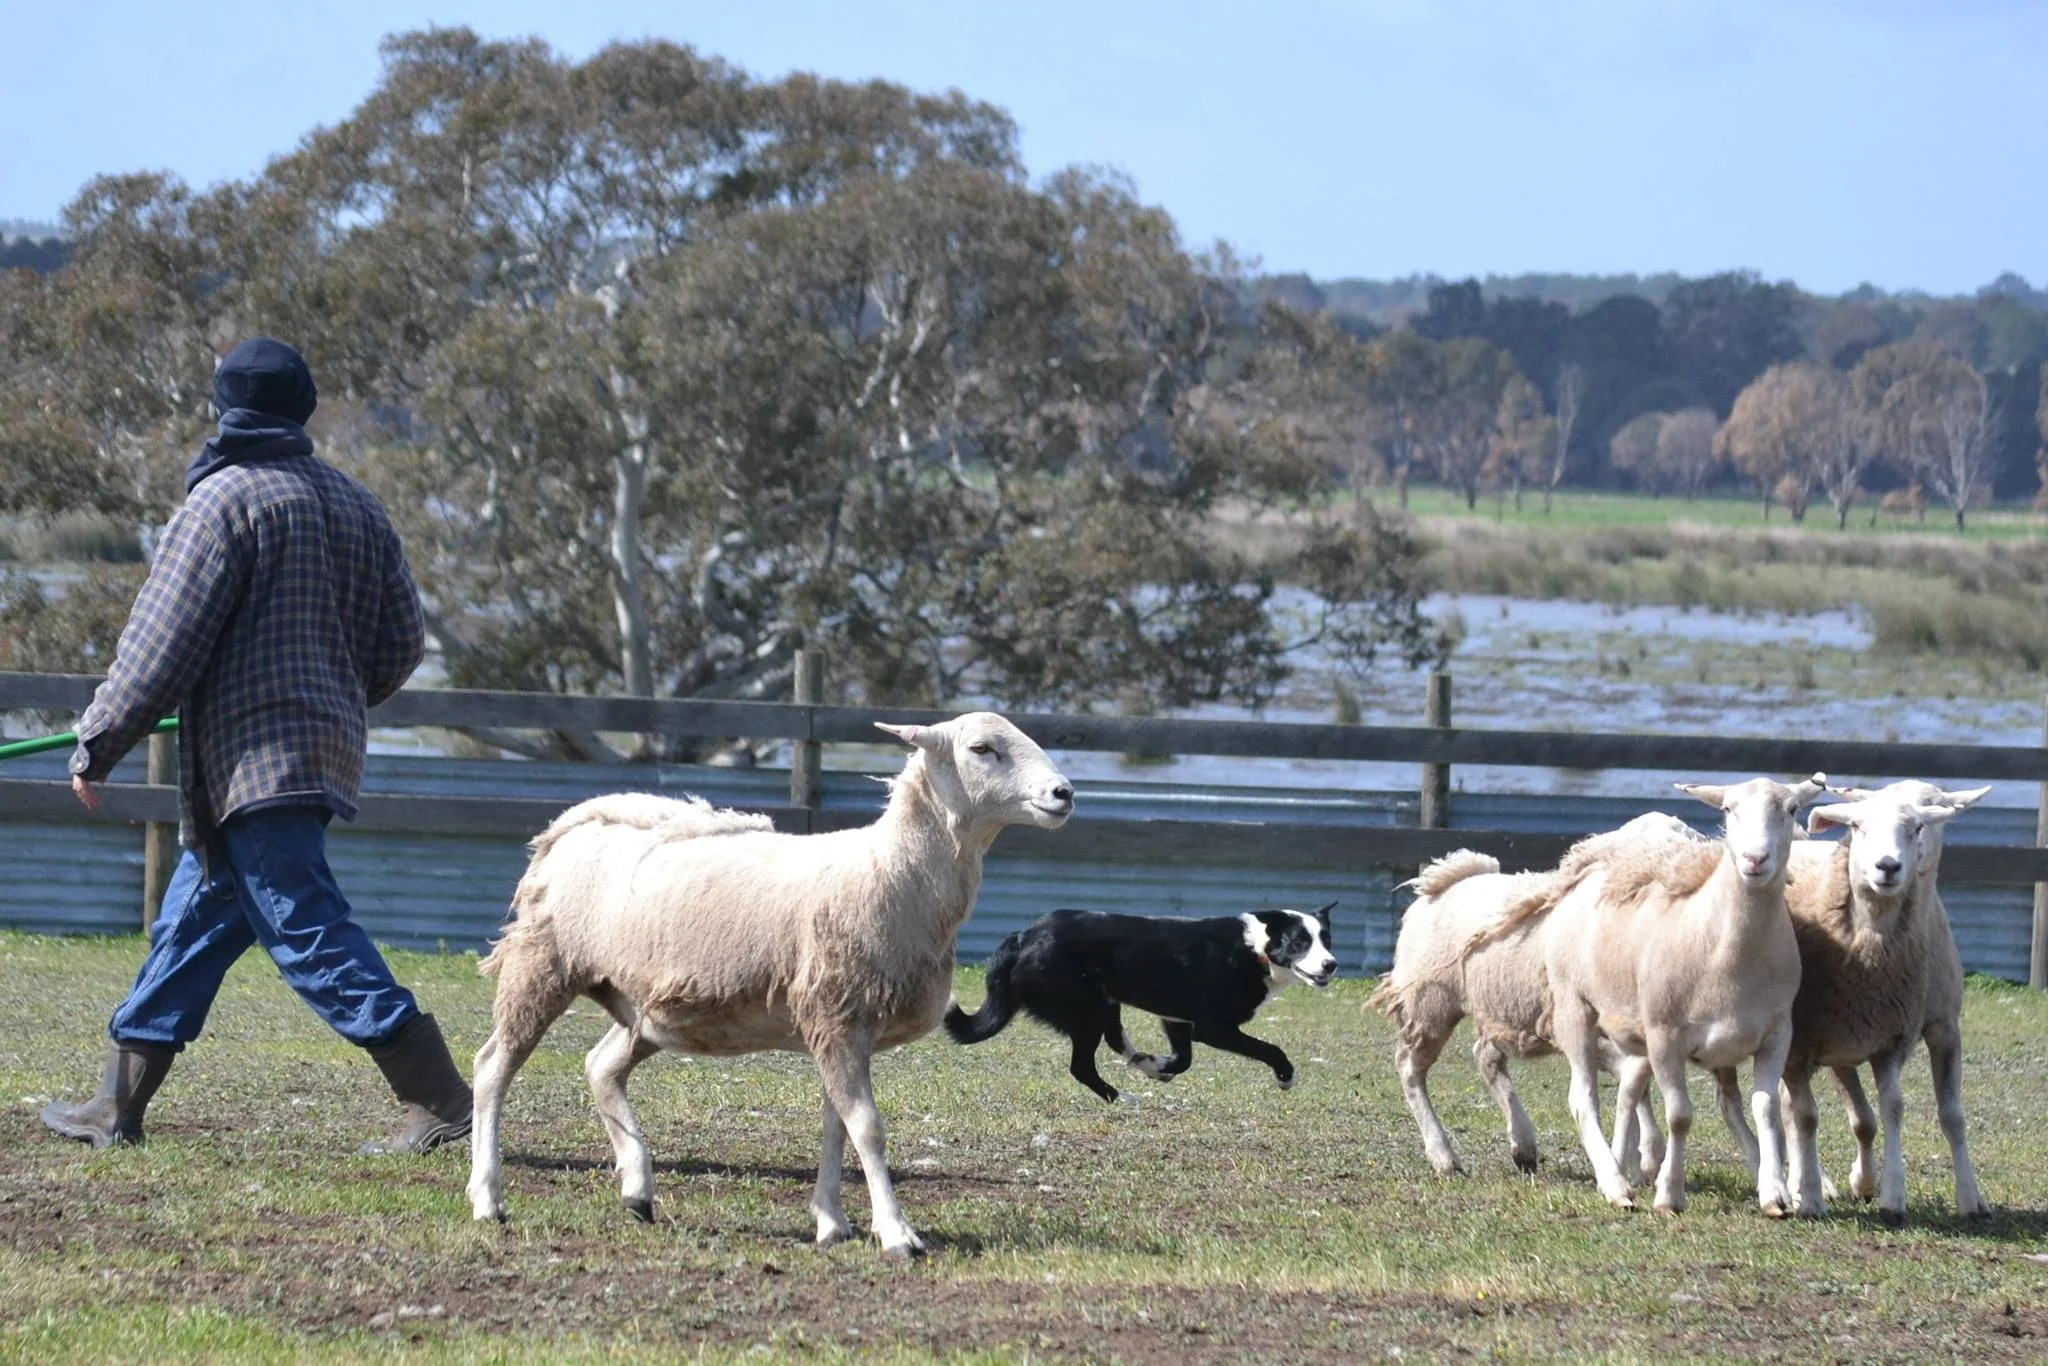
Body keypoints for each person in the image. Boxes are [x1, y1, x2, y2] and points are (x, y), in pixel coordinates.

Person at [40, 337, 472, 1155]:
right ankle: (115, 1106)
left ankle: (442, 1097)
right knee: (192, 925)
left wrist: (98, 739)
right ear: (303, 407)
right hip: (315, 754)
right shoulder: (357, 504)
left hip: (250, 763)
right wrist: (333, 699)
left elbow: (160, 642)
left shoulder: (223, 502)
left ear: (222, 407)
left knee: (307, 928)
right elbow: (401, 646)